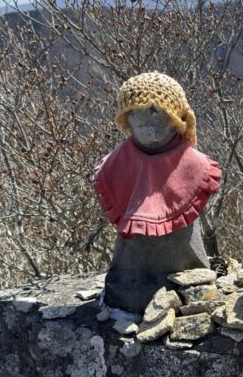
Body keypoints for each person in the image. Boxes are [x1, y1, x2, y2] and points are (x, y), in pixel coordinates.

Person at [93, 72, 220, 313]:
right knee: (129, 261)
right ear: (128, 121)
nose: (150, 131)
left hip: (186, 268)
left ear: (177, 121)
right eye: (140, 123)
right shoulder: (118, 162)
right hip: (129, 274)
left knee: (187, 255)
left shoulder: (193, 164)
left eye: (159, 121)